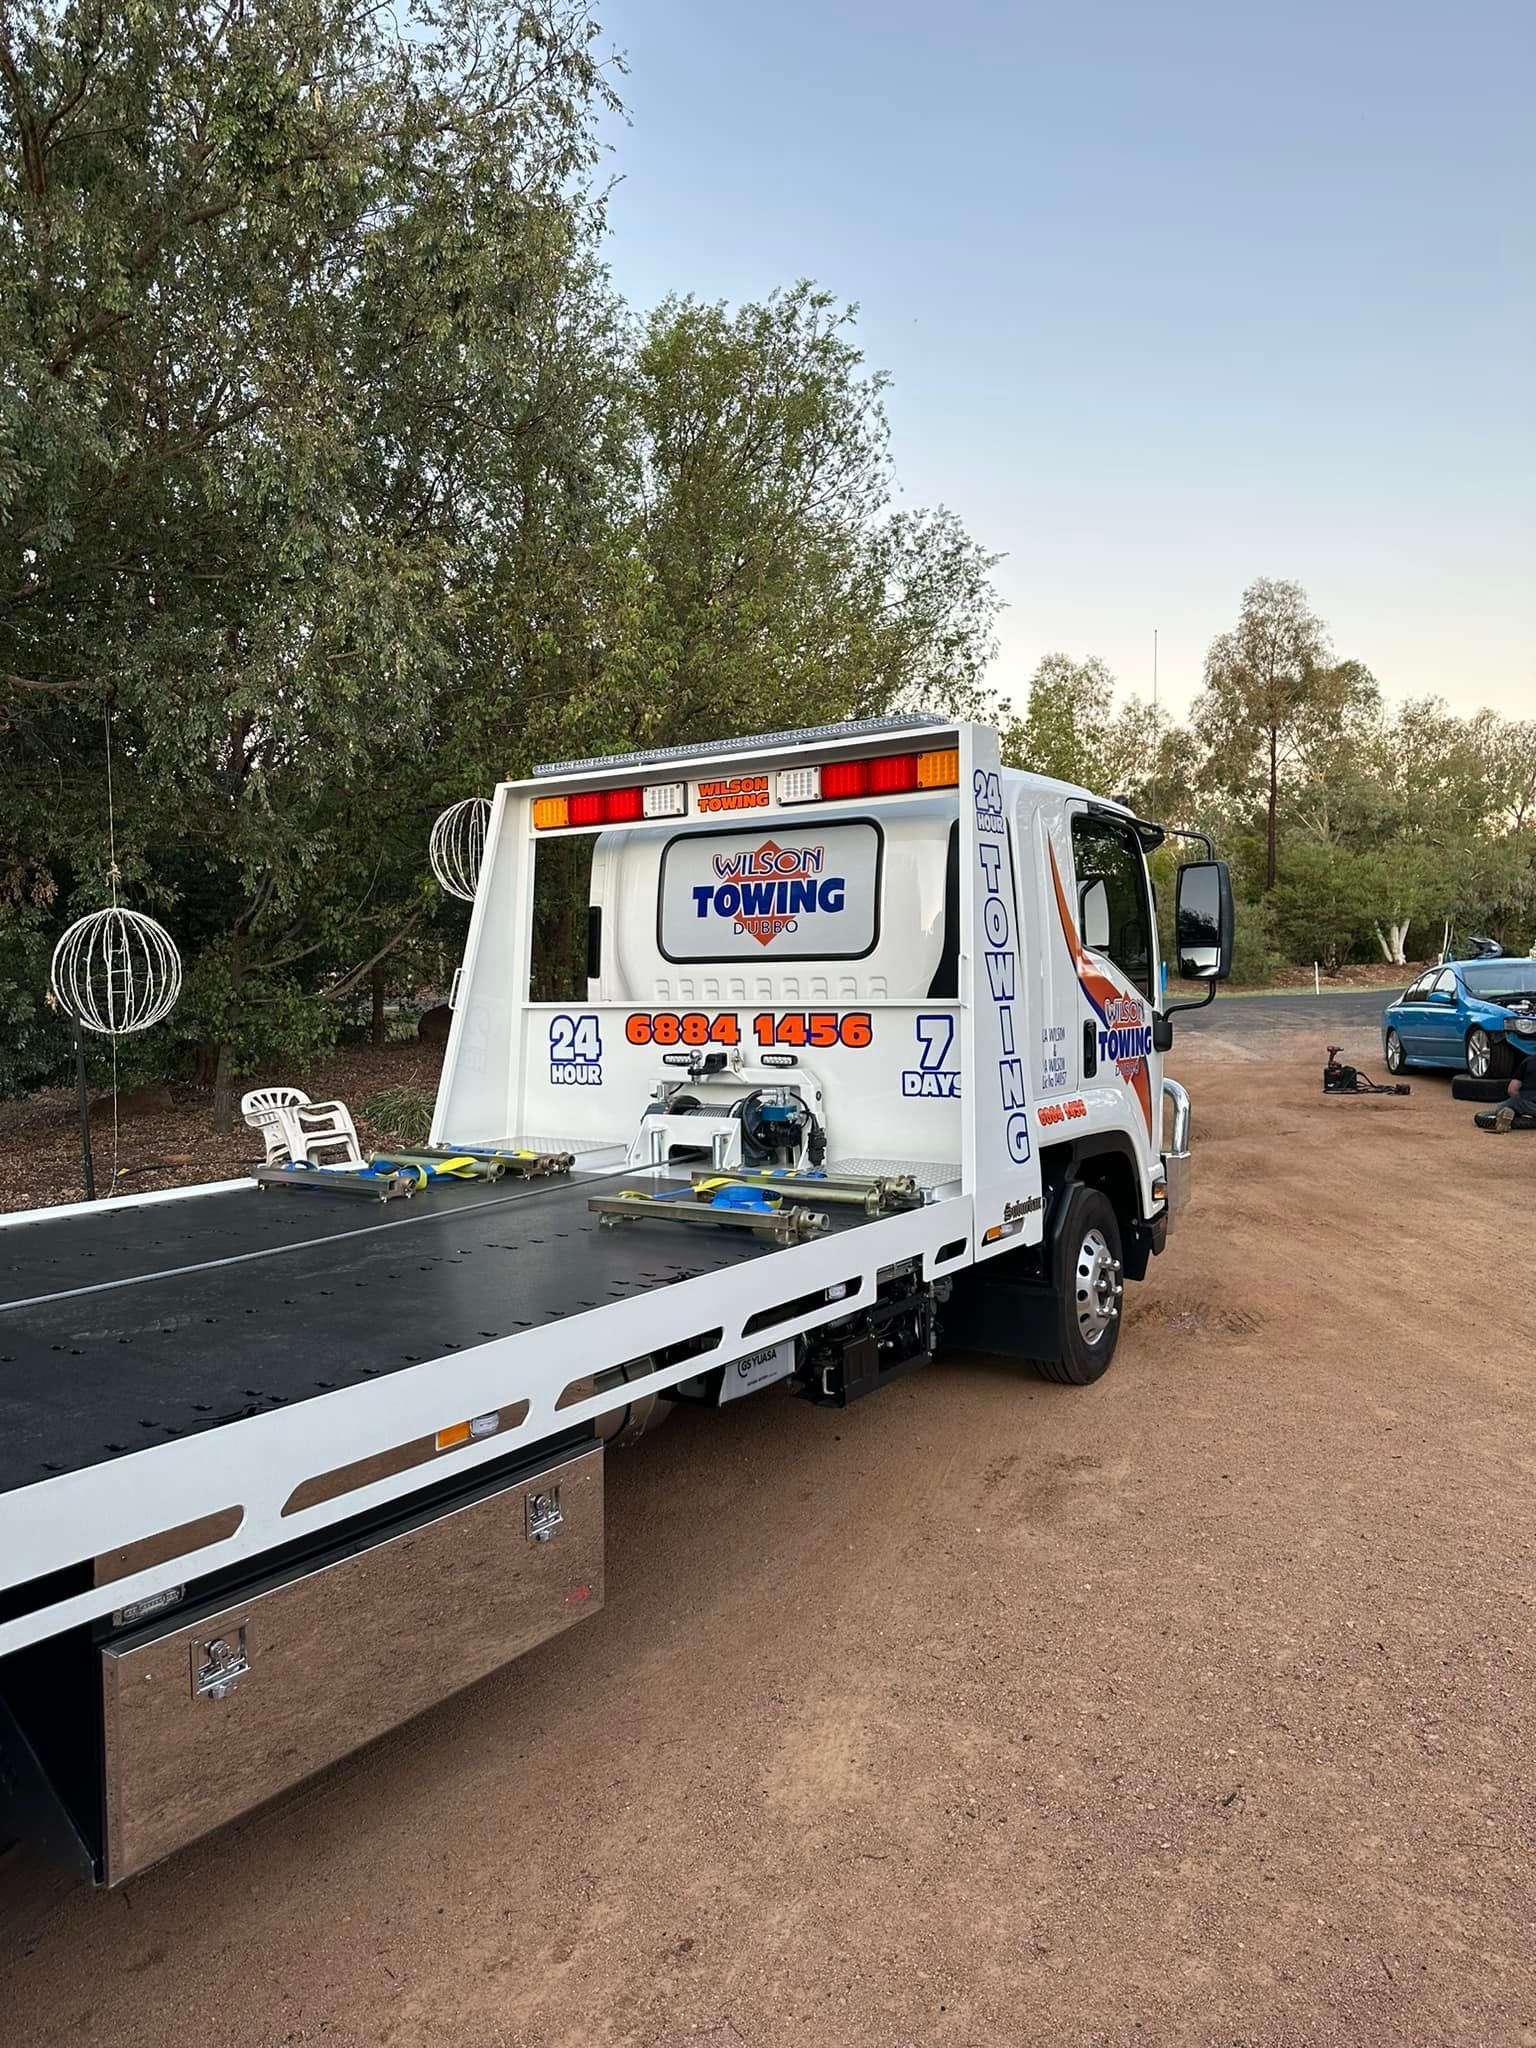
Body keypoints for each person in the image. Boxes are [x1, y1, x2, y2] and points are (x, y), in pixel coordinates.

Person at [1491, 1047, 1536, 1131]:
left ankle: (1508, 1112)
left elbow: (1511, 1090)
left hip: (1527, 1102)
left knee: (1503, 1106)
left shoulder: (1528, 1061)